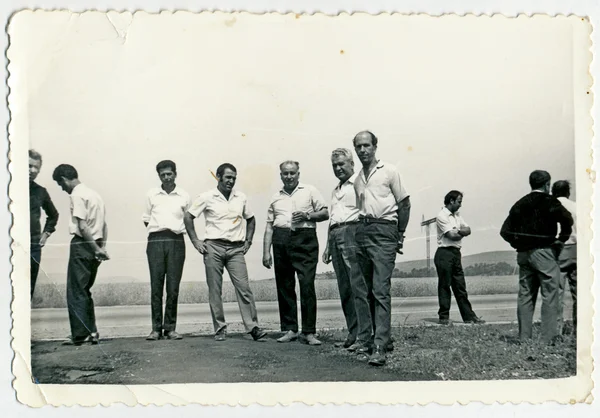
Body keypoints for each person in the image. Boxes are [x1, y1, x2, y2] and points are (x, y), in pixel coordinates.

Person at [185, 163, 267, 342]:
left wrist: (248, 241)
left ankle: (252, 327)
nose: (231, 181)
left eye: (234, 178)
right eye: (228, 177)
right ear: (219, 177)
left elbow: (251, 220)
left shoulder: (241, 197)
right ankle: (220, 328)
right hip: (213, 246)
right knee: (215, 289)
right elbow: (188, 216)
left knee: (244, 288)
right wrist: (195, 241)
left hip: (236, 249)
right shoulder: (207, 196)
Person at [352, 131, 411, 366]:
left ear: (375, 146)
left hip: (385, 230)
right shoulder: (358, 179)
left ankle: (379, 347)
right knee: (366, 291)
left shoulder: (390, 171)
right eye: (359, 146)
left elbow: (404, 202)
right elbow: (361, 208)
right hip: (363, 230)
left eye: (367, 145)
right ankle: (380, 339)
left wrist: (399, 233)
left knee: (380, 290)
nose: (363, 150)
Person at [500, 170, 573, 343]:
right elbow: (568, 221)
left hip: (524, 255)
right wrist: (560, 241)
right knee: (550, 294)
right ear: (547, 184)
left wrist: (517, 244)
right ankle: (548, 338)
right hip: (544, 252)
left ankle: (524, 337)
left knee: (525, 295)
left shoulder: (520, 203)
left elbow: (505, 231)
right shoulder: (550, 201)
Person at [262, 161, 329, 346]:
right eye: (285, 173)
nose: (289, 177)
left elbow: (325, 213)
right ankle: (290, 329)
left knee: (306, 284)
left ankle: (308, 332)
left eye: (292, 173)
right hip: (280, 239)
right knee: (285, 285)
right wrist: (266, 252)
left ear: (298, 174)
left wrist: (307, 216)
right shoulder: (275, 197)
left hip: (305, 239)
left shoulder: (310, 190)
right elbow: (269, 226)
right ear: (281, 175)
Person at [52, 164, 109, 346]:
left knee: (76, 290)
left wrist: (94, 249)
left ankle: (80, 334)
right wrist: (101, 248)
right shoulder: (94, 194)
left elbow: (82, 226)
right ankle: (92, 331)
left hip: (84, 245)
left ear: (64, 179)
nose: (63, 189)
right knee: (84, 290)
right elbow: (104, 225)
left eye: (61, 185)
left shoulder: (77, 195)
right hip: (97, 242)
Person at [322, 148, 371, 350]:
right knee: (345, 289)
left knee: (358, 287)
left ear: (352, 164)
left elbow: (366, 211)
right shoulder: (336, 190)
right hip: (335, 235)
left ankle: (365, 336)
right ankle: (353, 332)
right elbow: (333, 217)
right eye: (334, 165)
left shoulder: (360, 183)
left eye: (342, 164)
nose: (338, 168)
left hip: (353, 233)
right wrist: (327, 246)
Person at [142, 160, 190, 341]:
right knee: (156, 286)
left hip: (176, 240)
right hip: (156, 240)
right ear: (159, 176)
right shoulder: (151, 194)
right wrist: (159, 230)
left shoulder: (184, 195)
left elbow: (188, 219)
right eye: (163, 175)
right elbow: (146, 218)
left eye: (169, 174)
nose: (166, 177)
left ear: (175, 174)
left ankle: (170, 328)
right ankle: (156, 329)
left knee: (173, 287)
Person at [434, 190, 485, 325]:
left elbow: (468, 229)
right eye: (459, 202)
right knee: (445, 285)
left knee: (460, 286)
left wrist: (460, 231)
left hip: (456, 253)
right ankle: (443, 317)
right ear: (451, 201)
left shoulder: (457, 216)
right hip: (444, 253)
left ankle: (469, 316)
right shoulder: (441, 215)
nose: (460, 205)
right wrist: (461, 232)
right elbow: (452, 236)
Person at [29, 150, 59, 300]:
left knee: (28, 287)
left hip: (32, 245)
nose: (33, 171)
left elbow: (53, 215)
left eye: (36, 168)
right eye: (29, 166)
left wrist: (46, 233)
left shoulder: (40, 191)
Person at [552, 180, 577, 335]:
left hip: (559, 248)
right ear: (568, 192)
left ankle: (556, 330)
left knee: (556, 292)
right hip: (577, 248)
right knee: (579, 293)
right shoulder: (576, 206)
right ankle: (579, 329)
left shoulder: (551, 206)